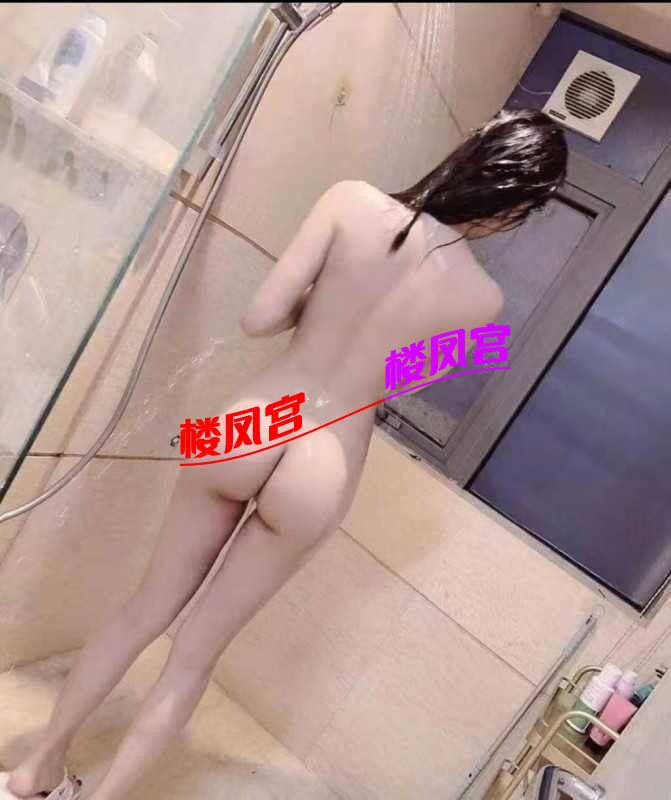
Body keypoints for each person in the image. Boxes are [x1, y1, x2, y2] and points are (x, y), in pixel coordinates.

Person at [4, 107, 567, 800]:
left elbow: (258, 318)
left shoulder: (351, 201)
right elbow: (395, 382)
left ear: (472, 151)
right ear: (517, 203)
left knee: (143, 608)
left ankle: (33, 771)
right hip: (328, 458)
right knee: (194, 657)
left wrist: (319, 303)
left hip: (250, 423)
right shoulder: (484, 303)